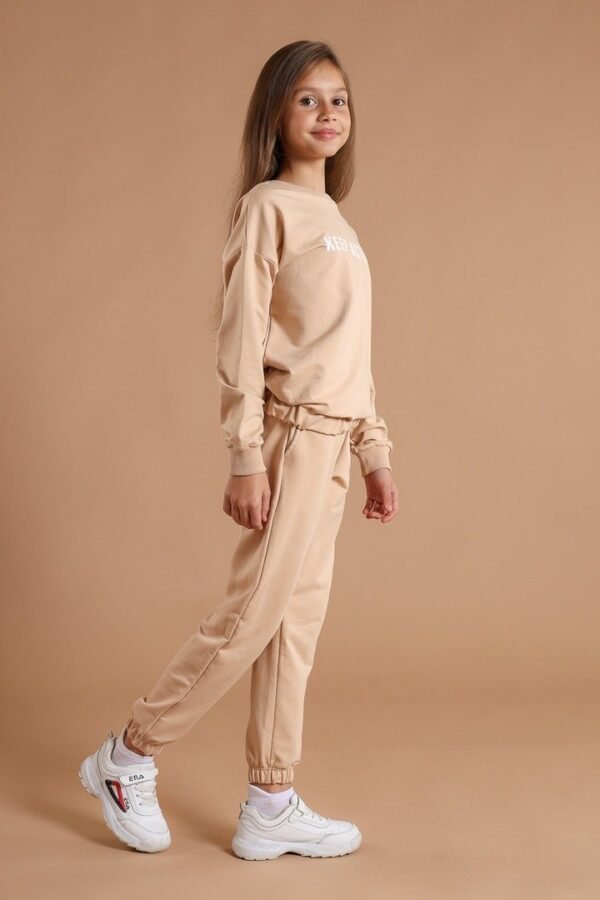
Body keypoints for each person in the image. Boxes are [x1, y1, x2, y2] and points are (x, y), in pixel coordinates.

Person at [78, 39, 398, 860]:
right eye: (307, 99)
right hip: (289, 440)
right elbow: (243, 336)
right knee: (250, 618)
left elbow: (351, 357)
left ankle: (271, 799)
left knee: (295, 630)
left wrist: (374, 450)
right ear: (275, 115)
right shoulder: (268, 208)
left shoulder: (342, 227)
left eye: (339, 99)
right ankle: (127, 756)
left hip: (333, 449)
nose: (328, 113)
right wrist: (246, 452)